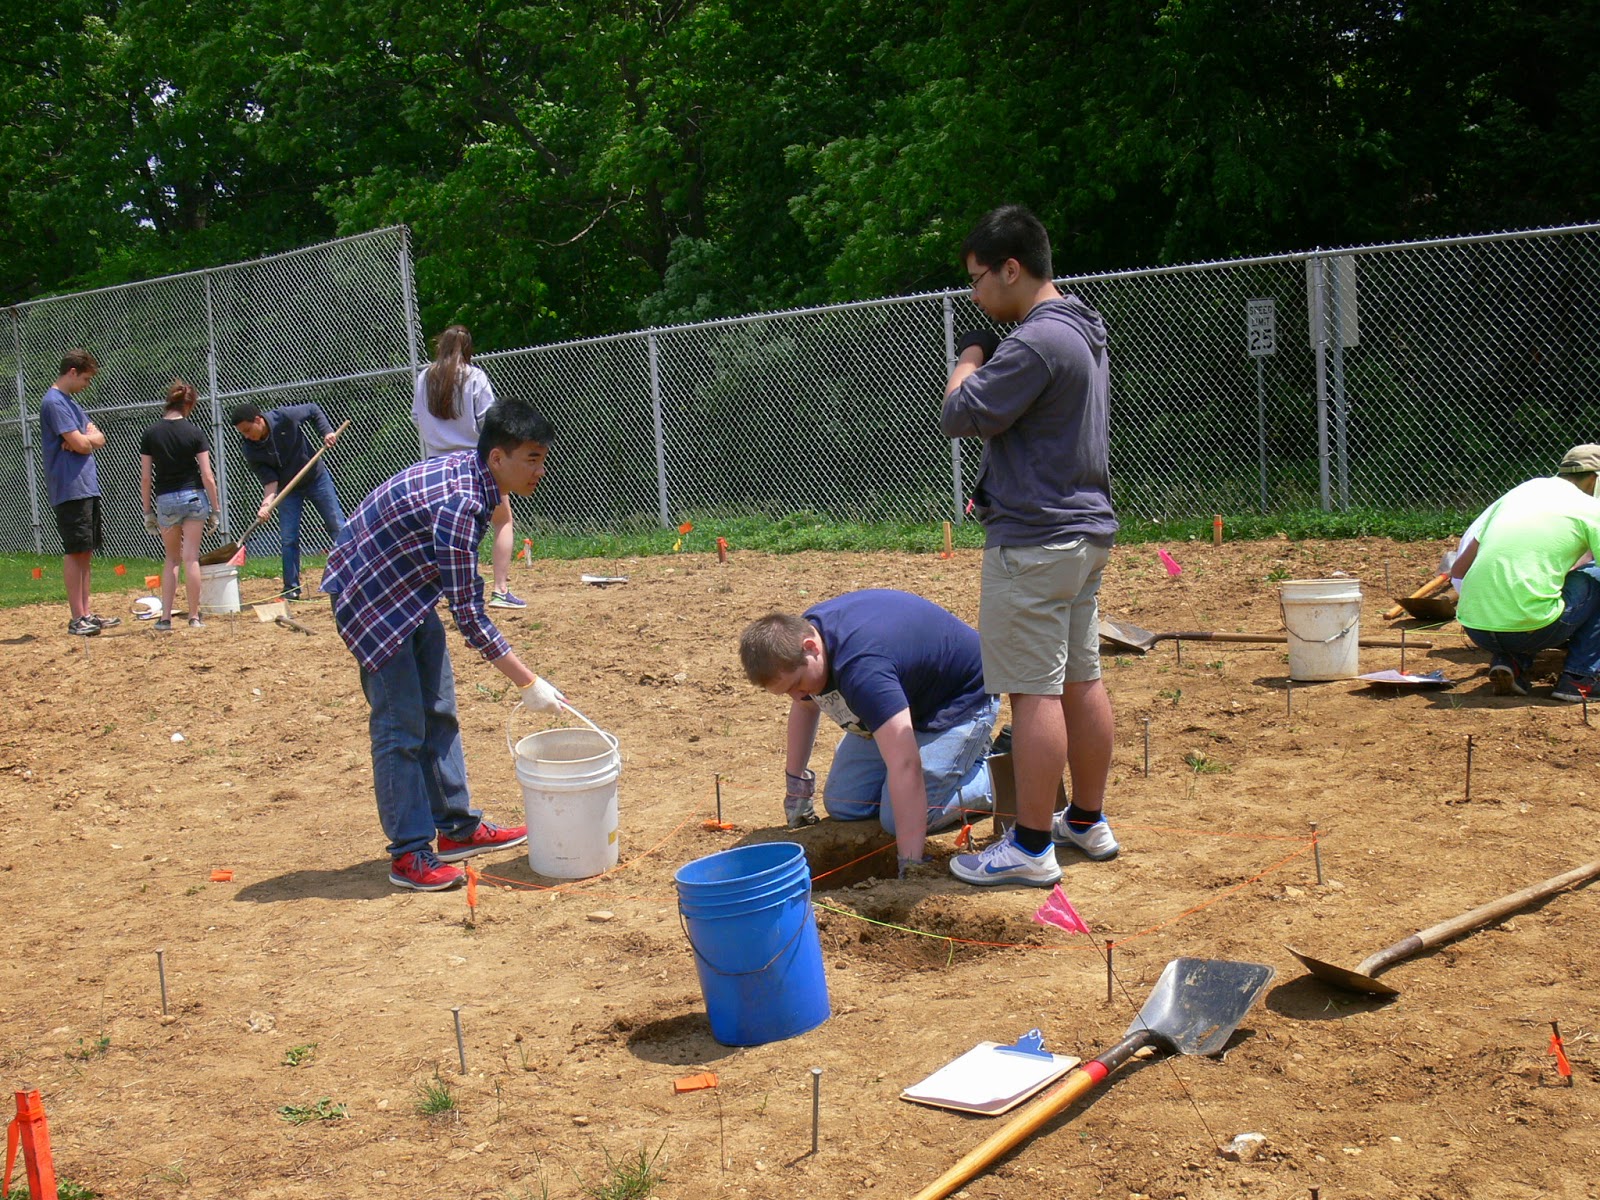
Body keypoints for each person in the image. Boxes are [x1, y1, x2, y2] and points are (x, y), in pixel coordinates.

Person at [937, 204, 1119, 888]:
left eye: (979, 279)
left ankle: (1032, 845)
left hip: (1037, 539)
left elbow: (961, 412)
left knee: (1031, 692)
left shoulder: (1035, 342)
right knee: (1080, 678)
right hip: (1084, 532)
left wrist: (970, 355)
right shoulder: (1084, 327)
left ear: (1012, 268)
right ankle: (1085, 820)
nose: (976, 295)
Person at [321, 401, 567, 891]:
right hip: (370, 598)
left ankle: (457, 829)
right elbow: (470, 615)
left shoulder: (477, 477)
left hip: (408, 590)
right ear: (498, 457)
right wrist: (529, 682)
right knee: (400, 728)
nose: (540, 469)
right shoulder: (462, 505)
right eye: (532, 458)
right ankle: (409, 855)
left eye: (543, 457)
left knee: (439, 710)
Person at [739, 590, 1000, 875]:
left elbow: (905, 764)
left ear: (811, 646)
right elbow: (805, 707)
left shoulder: (863, 672)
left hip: (957, 699)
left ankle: (998, 770)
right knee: (844, 804)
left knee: (898, 818)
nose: (797, 696)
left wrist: (910, 863)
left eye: (798, 684)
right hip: (898, 700)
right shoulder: (799, 645)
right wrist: (796, 784)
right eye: (786, 691)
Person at [1454, 444, 1600, 701]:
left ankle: (1511, 663)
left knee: (1532, 592)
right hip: (1532, 628)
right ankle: (1580, 679)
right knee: (1595, 579)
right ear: (1595, 478)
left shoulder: (1521, 492)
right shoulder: (1590, 508)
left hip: (1476, 628)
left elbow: (1459, 569)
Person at [412, 324, 525, 609]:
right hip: (472, 464)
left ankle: (434, 595)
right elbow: (489, 421)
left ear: (441, 346)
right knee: (502, 521)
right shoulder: (474, 376)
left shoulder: (424, 377)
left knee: (438, 532)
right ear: (468, 349)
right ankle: (499, 590)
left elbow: (417, 417)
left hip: (434, 467)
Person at [39, 348, 121, 637]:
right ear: (72, 372)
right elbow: (84, 443)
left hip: (86, 486)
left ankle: (87, 612)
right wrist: (84, 440)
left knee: (86, 550)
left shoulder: (70, 402)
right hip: (69, 487)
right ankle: (77, 618)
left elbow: (97, 437)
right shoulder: (54, 403)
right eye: (85, 379)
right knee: (75, 550)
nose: (87, 384)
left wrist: (85, 439)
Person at [230, 401, 347, 599]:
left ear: (258, 420)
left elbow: (313, 409)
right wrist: (266, 505)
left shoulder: (284, 417)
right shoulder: (250, 449)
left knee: (337, 525)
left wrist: (326, 432)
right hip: (288, 489)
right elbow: (270, 481)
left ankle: (353, 575)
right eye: (242, 433)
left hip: (315, 477)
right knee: (288, 538)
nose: (247, 436)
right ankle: (291, 589)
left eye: (248, 430)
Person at [139, 380, 222, 631]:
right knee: (191, 558)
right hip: (194, 497)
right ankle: (194, 617)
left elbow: (145, 477)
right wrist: (216, 510)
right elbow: (207, 475)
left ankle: (165, 618)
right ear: (190, 404)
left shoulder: (151, 433)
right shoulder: (194, 432)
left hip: (166, 500)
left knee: (172, 559)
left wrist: (147, 512)